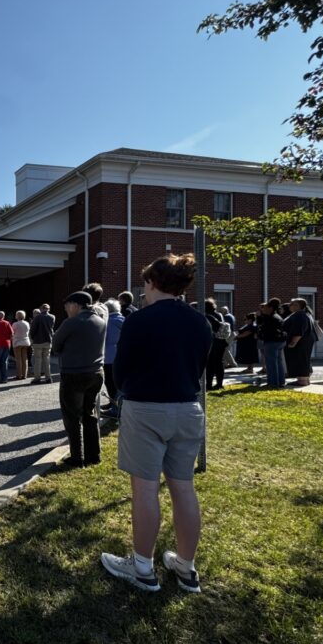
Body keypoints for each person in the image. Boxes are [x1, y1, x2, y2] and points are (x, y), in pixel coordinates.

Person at [100, 253, 212, 594]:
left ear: (151, 282)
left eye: (144, 284)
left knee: (145, 490)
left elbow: (121, 370)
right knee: (184, 488)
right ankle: (186, 567)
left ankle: (143, 566)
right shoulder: (200, 322)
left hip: (146, 408)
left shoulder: (139, 321)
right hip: (188, 408)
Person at [50, 291, 106, 468]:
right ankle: (93, 455)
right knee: (89, 414)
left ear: (76, 305)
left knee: (72, 417)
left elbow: (56, 345)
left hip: (74, 374)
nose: (66, 308)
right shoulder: (100, 321)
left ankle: (77, 457)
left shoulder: (71, 323)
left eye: (67, 305)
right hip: (96, 372)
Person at [283, 298, 316, 387]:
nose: (289, 305)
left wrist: (292, 343)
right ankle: (304, 380)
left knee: (300, 359)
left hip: (301, 342)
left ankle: (302, 380)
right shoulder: (302, 314)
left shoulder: (299, 315)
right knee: (303, 359)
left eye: (292, 304)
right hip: (304, 341)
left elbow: (299, 331)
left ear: (298, 306)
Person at [100, 299, 124, 418]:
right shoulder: (123, 320)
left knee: (110, 382)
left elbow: (105, 339)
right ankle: (113, 404)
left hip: (109, 357)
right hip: (121, 357)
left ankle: (115, 408)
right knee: (118, 384)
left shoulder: (108, 322)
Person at [258, 299, 287, 388]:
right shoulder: (277, 316)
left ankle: (273, 383)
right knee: (278, 362)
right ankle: (281, 382)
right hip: (280, 341)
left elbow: (266, 331)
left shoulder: (271, 318)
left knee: (271, 363)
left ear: (270, 308)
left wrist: (261, 335)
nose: (263, 309)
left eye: (265, 307)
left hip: (272, 342)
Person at [28, 303, 55, 384]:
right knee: (46, 360)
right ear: (48, 309)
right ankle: (48, 378)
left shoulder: (37, 317)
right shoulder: (52, 317)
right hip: (48, 340)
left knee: (38, 360)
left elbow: (33, 330)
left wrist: (32, 338)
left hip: (38, 341)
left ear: (41, 309)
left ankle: (37, 378)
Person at [204, 299, 228, 390]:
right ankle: (219, 384)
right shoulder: (219, 314)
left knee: (210, 364)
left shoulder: (207, 316)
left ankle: (209, 384)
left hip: (212, 342)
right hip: (221, 342)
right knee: (219, 363)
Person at [11, 310, 31, 380]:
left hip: (17, 342)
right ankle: (24, 375)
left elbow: (12, 333)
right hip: (25, 342)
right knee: (25, 359)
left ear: (17, 316)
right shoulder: (27, 323)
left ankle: (19, 375)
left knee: (18, 359)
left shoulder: (15, 324)